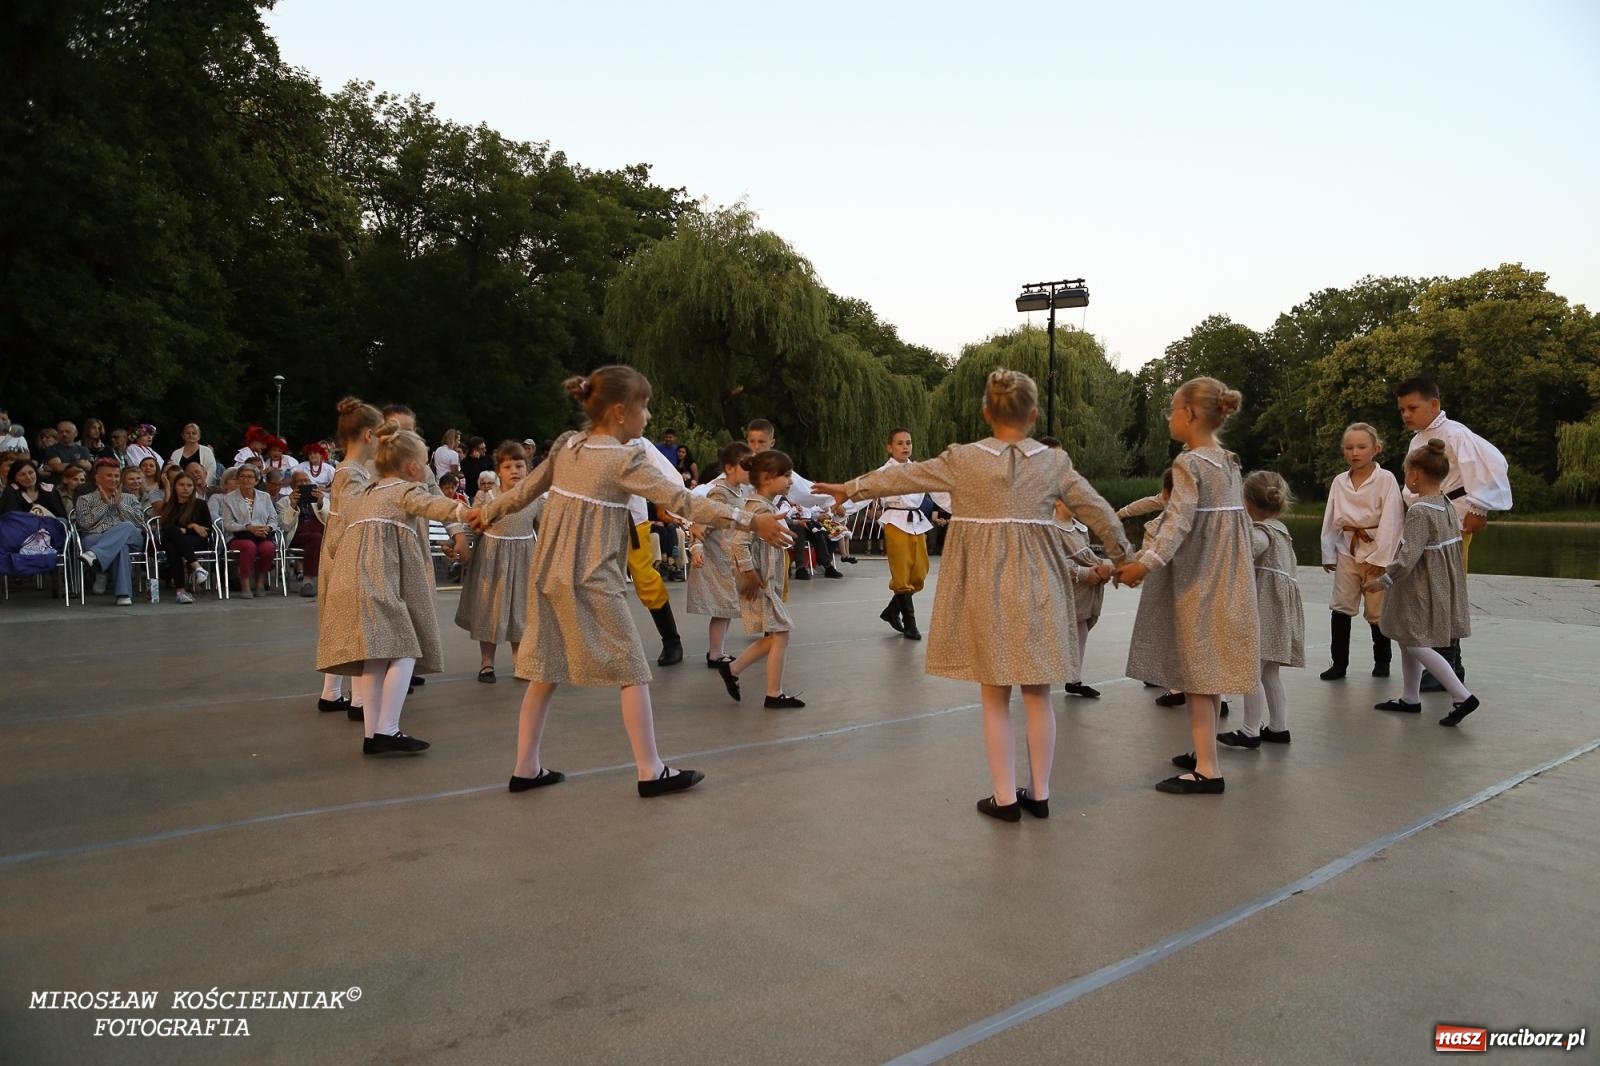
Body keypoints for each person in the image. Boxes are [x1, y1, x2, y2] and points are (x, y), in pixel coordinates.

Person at [816, 369, 1132, 822]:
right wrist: (1125, 557)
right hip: (1040, 579)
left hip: (985, 583)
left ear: (986, 411)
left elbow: (904, 479)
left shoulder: (962, 458)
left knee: (994, 694)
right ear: (1034, 413)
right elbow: (1098, 510)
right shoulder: (1054, 463)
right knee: (1039, 693)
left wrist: (849, 488)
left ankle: (1004, 798)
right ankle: (1039, 794)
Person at [472, 365, 792, 797]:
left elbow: (525, 490)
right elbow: (681, 500)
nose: (650, 417)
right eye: (646, 408)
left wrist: (485, 511)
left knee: (545, 668)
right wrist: (752, 520)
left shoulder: (569, 445)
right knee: (633, 670)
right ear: (621, 412)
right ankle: (651, 771)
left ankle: (526, 767)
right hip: (592, 576)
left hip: (548, 573)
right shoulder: (625, 458)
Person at [1116, 377, 1259, 796]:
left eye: (1172, 409)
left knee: (1196, 676)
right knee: (1208, 674)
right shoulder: (1228, 461)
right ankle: (1204, 753)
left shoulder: (1189, 464)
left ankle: (1208, 771)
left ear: (1190, 414)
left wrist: (1144, 565)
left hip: (1201, 578)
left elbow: (1177, 523)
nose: (1169, 417)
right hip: (1229, 575)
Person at [317, 421, 472, 755]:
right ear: (413, 467)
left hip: (349, 581)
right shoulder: (404, 491)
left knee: (375, 657)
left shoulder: (363, 496)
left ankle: (373, 735)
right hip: (378, 581)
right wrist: (475, 514)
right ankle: (387, 730)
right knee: (405, 649)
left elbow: (333, 538)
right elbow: (440, 505)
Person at [1393, 376, 1511, 690]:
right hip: (1426, 520)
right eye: (1402, 409)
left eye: (1413, 407)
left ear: (1434, 404)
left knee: (1445, 590)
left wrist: (1480, 507)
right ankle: (1437, 662)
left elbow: (1489, 465)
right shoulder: (1417, 439)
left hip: (1453, 521)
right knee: (1428, 591)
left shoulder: (1455, 434)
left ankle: (1451, 665)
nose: (1406, 414)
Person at [1365, 440, 1480, 726]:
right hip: (1438, 585)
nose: (1406, 479)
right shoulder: (1447, 505)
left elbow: (1407, 556)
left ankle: (1461, 695)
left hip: (1418, 588)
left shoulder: (1419, 511)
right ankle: (1410, 697)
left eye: (1406, 473)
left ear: (1415, 474)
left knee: (1416, 644)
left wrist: (1384, 580)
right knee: (1407, 640)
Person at [1218, 471, 1304, 750]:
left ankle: (1250, 731)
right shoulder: (1281, 529)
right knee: (1269, 673)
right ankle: (1279, 728)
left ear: (1247, 502)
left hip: (1266, 612)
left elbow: (1246, 549)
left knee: (1250, 671)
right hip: (1282, 612)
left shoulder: (1261, 533)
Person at [714, 450, 806, 708]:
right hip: (760, 584)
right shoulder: (755, 508)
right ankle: (773, 694)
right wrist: (751, 575)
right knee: (782, 633)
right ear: (767, 478)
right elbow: (739, 544)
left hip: (766, 583)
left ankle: (733, 670)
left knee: (776, 635)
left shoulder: (764, 506)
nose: (790, 481)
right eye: (786, 475)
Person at [1318, 422, 1403, 680]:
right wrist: (1328, 552)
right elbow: (1331, 517)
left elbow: (1393, 520)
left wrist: (1382, 558)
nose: (1355, 452)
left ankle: (1382, 661)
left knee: (1377, 610)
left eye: (1361, 447)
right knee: (1341, 606)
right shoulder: (1339, 482)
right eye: (1349, 447)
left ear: (1375, 449)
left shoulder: (1386, 479)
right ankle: (1339, 663)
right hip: (1347, 549)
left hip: (1376, 548)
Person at [314, 397, 382, 718]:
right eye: (380, 433)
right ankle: (359, 701)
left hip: (341, 551)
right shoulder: (352, 474)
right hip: (346, 554)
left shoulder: (351, 470)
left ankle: (332, 694)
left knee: (344, 623)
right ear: (368, 435)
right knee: (357, 625)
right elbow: (350, 521)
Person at [455, 441, 536, 683]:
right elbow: (473, 525)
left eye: (519, 465)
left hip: (524, 559)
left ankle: (520, 661)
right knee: (490, 610)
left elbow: (546, 529)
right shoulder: (486, 496)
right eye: (508, 466)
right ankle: (486, 663)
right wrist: (462, 545)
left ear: (527, 468)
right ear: (498, 471)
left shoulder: (535, 497)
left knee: (520, 610)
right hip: (492, 559)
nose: (514, 471)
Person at [871, 427, 951, 641]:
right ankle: (910, 623)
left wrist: (963, 510)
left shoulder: (919, 470)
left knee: (920, 572)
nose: (905, 446)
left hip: (916, 522)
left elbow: (940, 494)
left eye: (908, 442)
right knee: (901, 574)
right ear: (889, 447)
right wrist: (841, 505)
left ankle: (891, 610)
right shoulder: (883, 472)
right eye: (900, 443)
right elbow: (863, 490)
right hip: (895, 521)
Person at [744, 419, 844, 579]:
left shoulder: (781, 467)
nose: (756, 447)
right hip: (748, 527)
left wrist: (834, 496)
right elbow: (715, 489)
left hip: (773, 529)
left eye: (761, 441)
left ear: (772, 442)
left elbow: (807, 490)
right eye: (752, 441)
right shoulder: (742, 467)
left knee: (773, 582)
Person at [685, 441, 752, 669]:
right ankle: (715, 654)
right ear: (730, 467)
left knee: (728, 607)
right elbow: (703, 520)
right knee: (722, 607)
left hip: (728, 557)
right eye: (746, 466)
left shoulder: (739, 491)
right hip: (717, 558)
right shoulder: (720, 493)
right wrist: (697, 548)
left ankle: (718, 652)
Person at [1055, 503, 1113, 698]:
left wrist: (1098, 568)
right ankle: (1031, 676)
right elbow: (1054, 561)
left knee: (1080, 628)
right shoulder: (1050, 528)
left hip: (1080, 591)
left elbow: (1086, 553)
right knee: (1049, 631)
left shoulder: (1080, 527)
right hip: (1060, 589)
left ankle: (1074, 679)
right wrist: (1085, 572)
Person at [74, 458, 148, 606]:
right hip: (96, 537)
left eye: (116, 476)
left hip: (131, 537)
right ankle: (123, 595)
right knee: (121, 547)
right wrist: (105, 504)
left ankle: (96, 556)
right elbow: (85, 524)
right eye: (109, 475)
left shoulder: (130, 498)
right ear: (97, 478)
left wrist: (120, 504)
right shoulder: (85, 499)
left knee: (126, 526)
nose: (114, 479)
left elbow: (140, 523)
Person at [218, 464, 279, 598]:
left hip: (262, 534)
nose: (246, 479)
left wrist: (267, 528)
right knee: (248, 547)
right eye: (243, 476)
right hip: (239, 536)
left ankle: (260, 582)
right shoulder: (228, 499)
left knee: (268, 548)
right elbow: (228, 524)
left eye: (250, 477)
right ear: (238, 479)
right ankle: (245, 584)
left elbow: (274, 518)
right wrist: (247, 527)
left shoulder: (265, 497)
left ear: (256, 480)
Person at [156, 472, 212, 603]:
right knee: (173, 532)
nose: (185, 488)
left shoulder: (200, 505)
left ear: (193, 488)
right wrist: (192, 527)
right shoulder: (169, 506)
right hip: (172, 538)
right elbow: (165, 529)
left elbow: (207, 531)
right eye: (181, 485)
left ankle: (180, 591)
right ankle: (197, 568)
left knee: (172, 547)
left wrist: (187, 528)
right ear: (175, 486)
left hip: (195, 541)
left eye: (189, 485)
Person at [278, 469, 329, 596]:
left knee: (323, 537)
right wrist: (293, 506)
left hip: (321, 535)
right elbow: (285, 525)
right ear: (292, 485)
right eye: (299, 482)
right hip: (297, 536)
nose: (303, 484)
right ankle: (308, 581)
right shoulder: (283, 502)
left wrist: (320, 504)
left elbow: (330, 521)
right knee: (316, 537)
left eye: (306, 481)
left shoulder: (322, 499)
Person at [1, 458, 69, 519]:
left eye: (31, 473)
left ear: (36, 473)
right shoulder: (11, 492)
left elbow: (61, 516)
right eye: (22, 474)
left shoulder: (49, 490)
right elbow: (10, 519)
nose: (28, 477)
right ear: (15, 478)